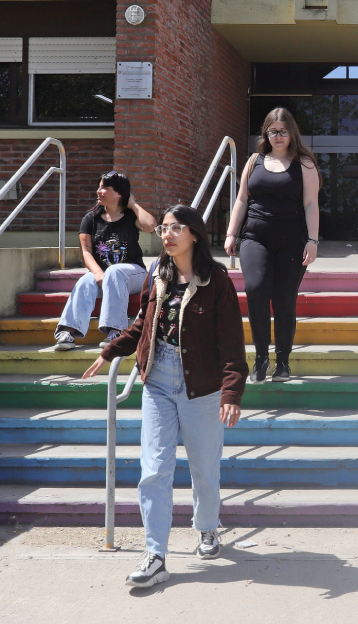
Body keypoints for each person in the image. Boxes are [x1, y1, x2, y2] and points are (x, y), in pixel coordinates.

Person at [82, 204, 247, 588]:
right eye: (164, 230)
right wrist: (111, 350)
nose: (167, 235)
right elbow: (143, 322)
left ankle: (207, 527)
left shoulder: (217, 280)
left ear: (194, 234)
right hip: (157, 379)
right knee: (154, 468)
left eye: (175, 229)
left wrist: (231, 391)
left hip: (203, 385)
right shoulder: (159, 273)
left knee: (205, 468)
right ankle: (155, 554)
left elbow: (231, 343)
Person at [225, 107, 321, 383]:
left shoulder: (304, 164)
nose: (278, 137)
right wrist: (232, 234)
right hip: (255, 237)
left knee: (283, 299)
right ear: (266, 133)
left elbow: (311, 203)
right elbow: (242, 199)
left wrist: (313, 240)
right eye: (273, 131)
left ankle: (282, 362)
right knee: (255, 290)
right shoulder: (254, 160)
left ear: (292, 133)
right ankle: (260, 359)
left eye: (283, 131)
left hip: (292, 240)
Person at [54, 171, 158, 351]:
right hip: (103, 274)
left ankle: (115, 330)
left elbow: (151, 226)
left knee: (114, 271)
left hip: (134, 274)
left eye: (104, 188)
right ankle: (67, 332)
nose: (99, 191)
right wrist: (97, 272)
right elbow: (86, 251)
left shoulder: (131, 216)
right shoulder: (91, 219)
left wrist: (132, 203)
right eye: (99, 187)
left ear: (119, 193)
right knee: (85, 281)